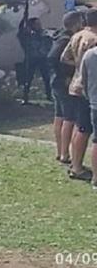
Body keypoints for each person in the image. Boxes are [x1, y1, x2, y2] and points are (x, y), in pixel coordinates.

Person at [60, 8, 97, 181]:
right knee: (85, 129)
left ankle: (76, 163)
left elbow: (64, 57)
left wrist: (78, 66)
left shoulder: (77, 35)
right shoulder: (93, 39)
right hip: (88, 88)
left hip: (76, 83)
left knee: (79, 126)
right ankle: (77, 167)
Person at [50, 11, 84, 164]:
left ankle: (60, 151)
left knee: (60, 116)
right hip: (63, 82)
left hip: (56, 81)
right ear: (76, 24)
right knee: (69, 118)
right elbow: (53, 57)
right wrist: (66, 74)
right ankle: (64, 153)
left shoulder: (59, 36)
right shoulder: (65, 39)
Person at [17, 16, 53, 104]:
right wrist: (24, 21)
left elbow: (49, 41)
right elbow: (20, 33)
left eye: (39, 23)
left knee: (47, 78)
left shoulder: (44, 34)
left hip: (43, 58)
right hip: (31, 58)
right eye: (37, 24)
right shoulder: (27, 36)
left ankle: (49, 95)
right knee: (27, 78)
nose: (39, 25)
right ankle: (25, 96)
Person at [77, 45, 97, 191]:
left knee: (96, 140)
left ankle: (96, 177)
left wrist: (89, 96)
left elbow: (83, 79)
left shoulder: (89, 54)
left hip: (94, 102)